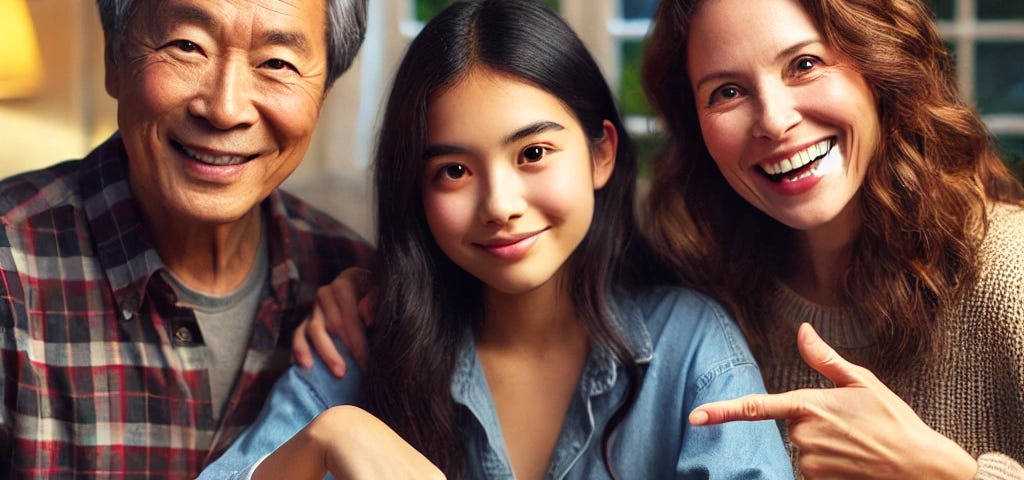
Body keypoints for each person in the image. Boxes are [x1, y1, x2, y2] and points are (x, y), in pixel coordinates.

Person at [201, 0, 793, 478]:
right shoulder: (363, 342)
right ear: (417, 190)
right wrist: (332, 436)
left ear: (601, 153)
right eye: (454, 171)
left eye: (533, 153)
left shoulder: (691, 352)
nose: (500, 206)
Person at [640, 0, 1024, 478]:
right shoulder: (703, 305)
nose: (775, 122)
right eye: (728, 92)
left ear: (879, 66)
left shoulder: (1011, 273)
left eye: (805, 65)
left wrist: (945, 473)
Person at [0, 0, 373, 478]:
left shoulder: (355, 289)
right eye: (187, 46)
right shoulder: (12, 270)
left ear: (324, 92)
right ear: (115, 61)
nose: (225, 109)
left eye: (276, 63)